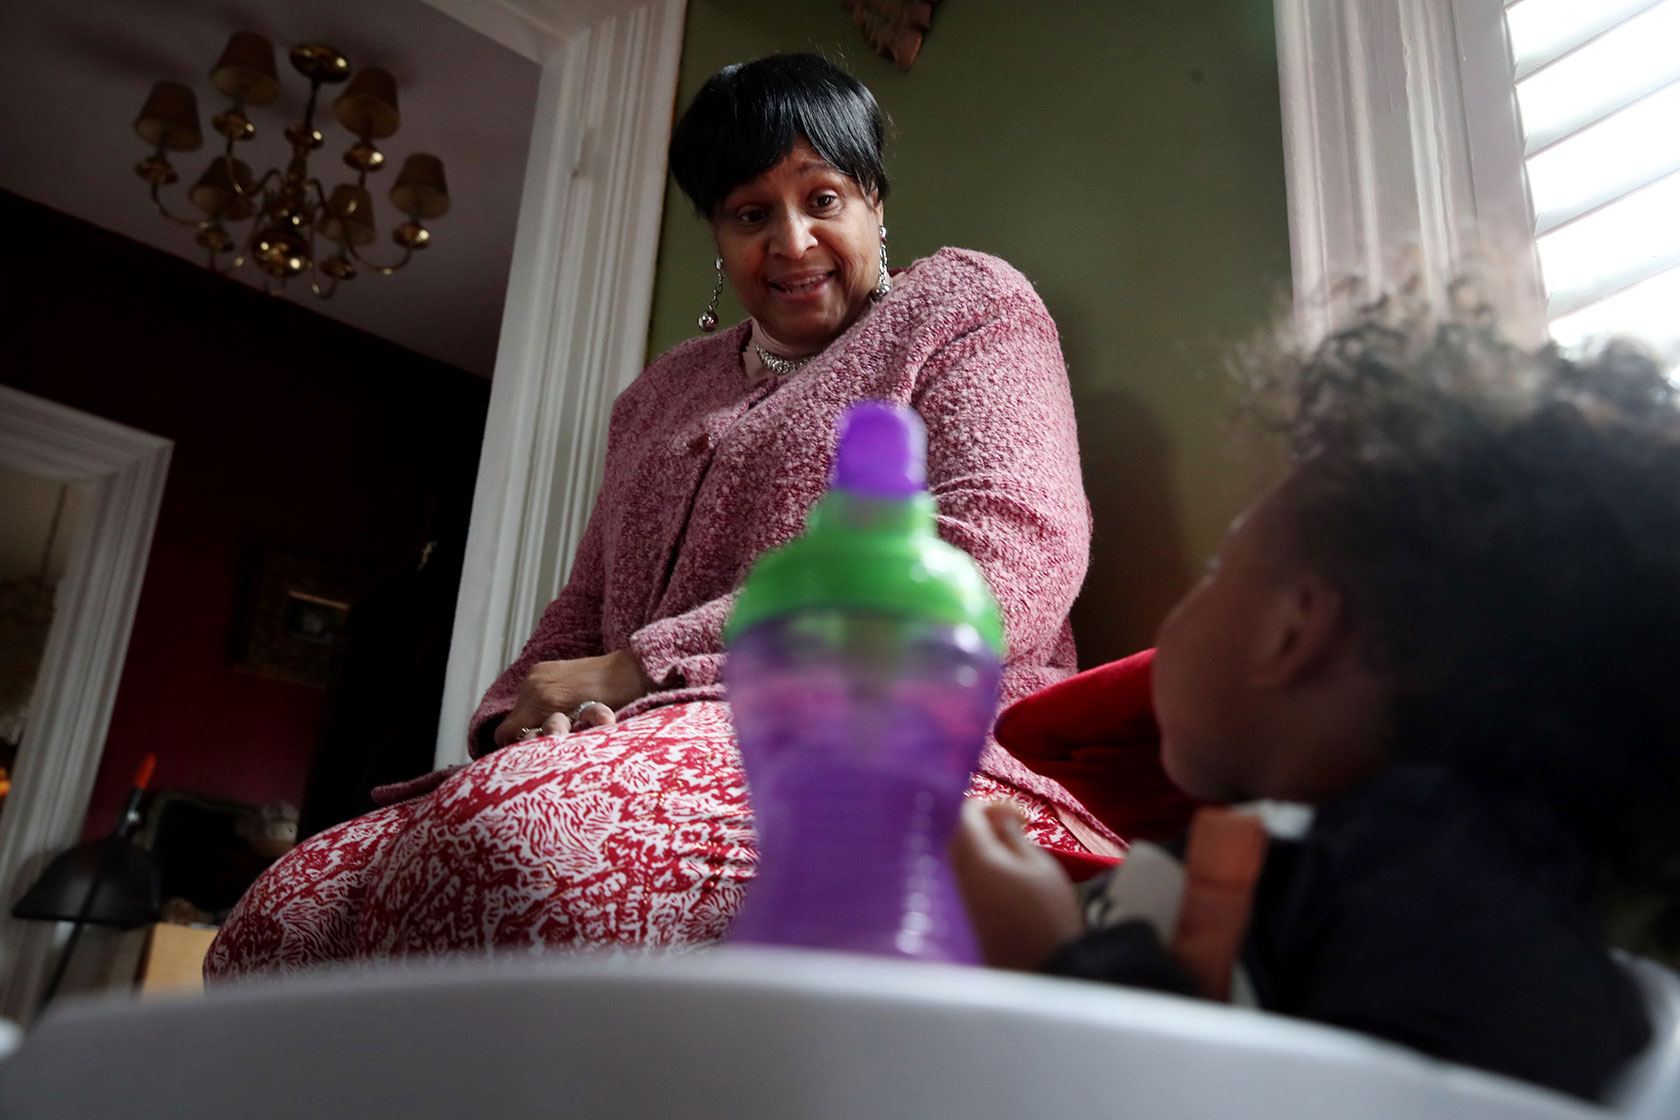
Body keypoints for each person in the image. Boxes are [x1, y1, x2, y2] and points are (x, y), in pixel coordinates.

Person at [206, 53, 1113, 978]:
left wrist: (644, 666)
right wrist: (516, 722)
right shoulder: (657, 396)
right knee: (281, 914)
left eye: (824, 198)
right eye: (751, 214)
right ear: (719, 236)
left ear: (876, 199)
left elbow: (1011, 558)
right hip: (632, 740)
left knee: (512, 844)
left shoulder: (963, 305)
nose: (793, 242)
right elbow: (583, 610)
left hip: (877, 739)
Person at [952, 297, 1680, 1100]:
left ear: (1292, 632)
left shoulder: (1448, 908)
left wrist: (1049, 962)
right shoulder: (1339, 864)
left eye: (1221, 569)